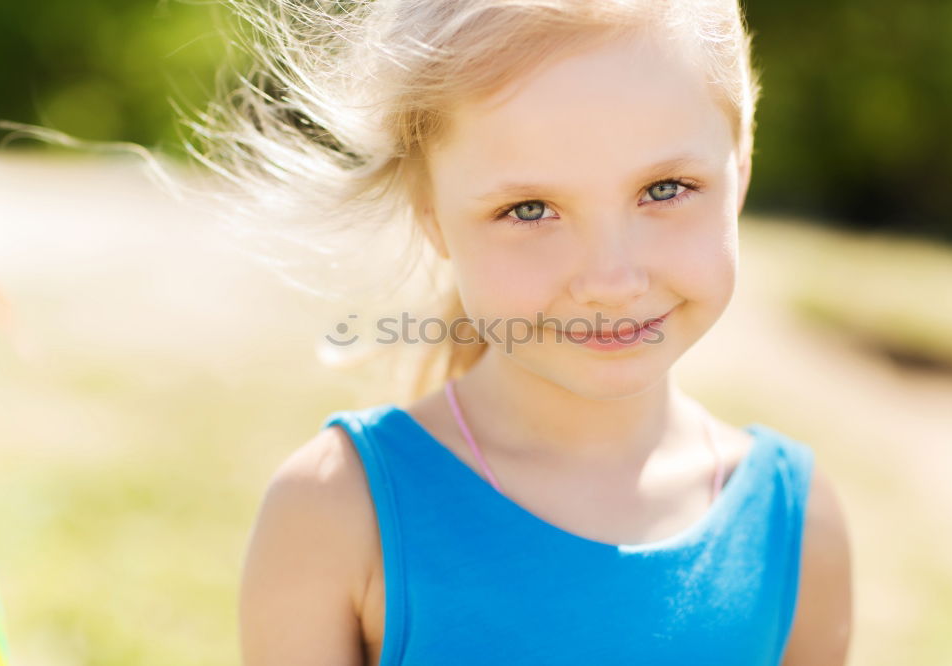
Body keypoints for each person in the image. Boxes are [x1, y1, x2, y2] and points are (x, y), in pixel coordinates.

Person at [221, 1, 853, 664]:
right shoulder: (337, 514)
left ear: (741, 170)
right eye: (530, 209)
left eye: (665, 189)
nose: (612, 280)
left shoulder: (795, 526)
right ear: (432, 215)